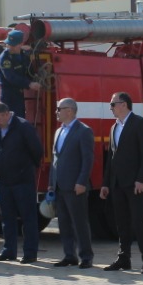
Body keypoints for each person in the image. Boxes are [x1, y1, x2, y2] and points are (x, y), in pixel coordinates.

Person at [100, 92, 143, 274]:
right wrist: (106, 183)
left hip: (134, 183)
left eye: (112, 104)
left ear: (123, 104)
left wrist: (142, 179)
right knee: (121, 223)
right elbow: (111, 158)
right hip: (117, 183)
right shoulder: (114, 127)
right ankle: (124, 258)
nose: (111, 108)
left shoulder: (140, 124)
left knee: (139, 222)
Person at [0, 101, 42, 263]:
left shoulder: (23, 127)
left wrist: (24, 169)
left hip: (22, 181)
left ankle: (30, 253)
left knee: (28, 218)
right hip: (4, 182)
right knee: (7, 218)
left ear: (6, 114)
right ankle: (9, 251)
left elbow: (37, 151)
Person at [48, 97, 94, 268]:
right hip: (60, 186)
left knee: (79, 222)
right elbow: (55, 159)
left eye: (59, 109)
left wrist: (82, 181)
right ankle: (69, 255)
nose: (57, 112)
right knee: (64, 223)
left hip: (76, 186)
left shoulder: (83, 131)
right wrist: (51, 183)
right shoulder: (58, 131)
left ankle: (86, 256)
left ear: (70, 110)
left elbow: (87, 159)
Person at [0, 30, 39, 120]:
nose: (10, 47)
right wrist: (29, 84)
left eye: (13, 45)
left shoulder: (23, 56)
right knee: (8, 122)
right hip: (8, 97)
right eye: (9, 44)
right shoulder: (5, 58)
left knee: (20, 121)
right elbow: (11, 77)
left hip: (18, 96)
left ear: (20, 44)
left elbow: (29, 71)